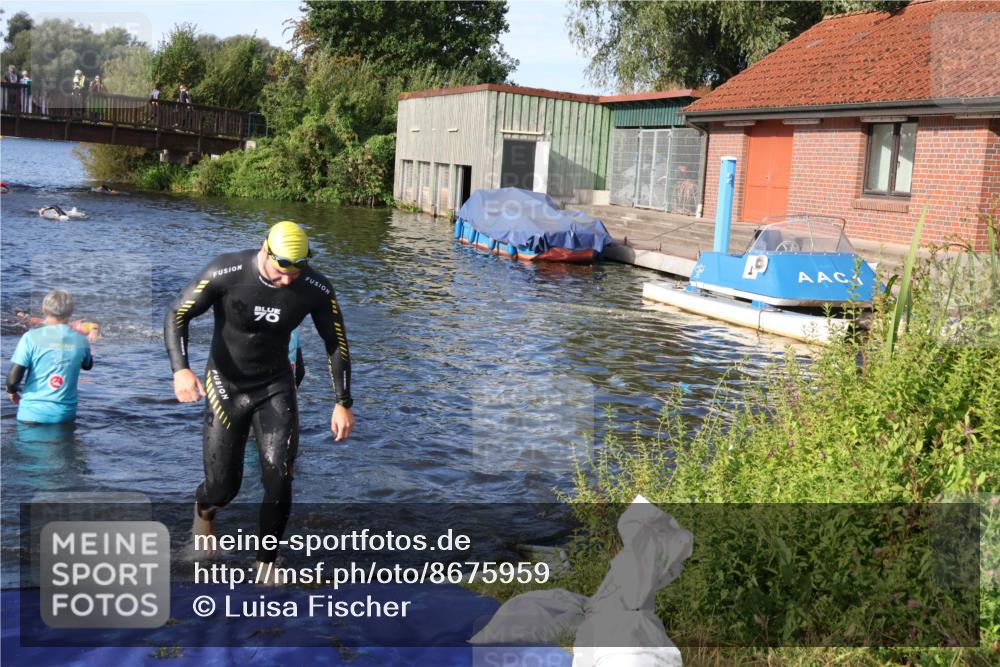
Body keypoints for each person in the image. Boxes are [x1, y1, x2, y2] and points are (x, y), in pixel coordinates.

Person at [164, 221, 354, 576]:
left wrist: (343, 401)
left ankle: (266, 563)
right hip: (226, 385)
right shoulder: (227, 271)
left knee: (280, 477)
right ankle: (204, 512)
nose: (287, 281)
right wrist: (181, 370)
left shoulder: (315, 287)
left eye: (295, 273)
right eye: (282, 272)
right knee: (223, 488)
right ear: (266, 251)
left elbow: (336, 343)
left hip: (275, 385)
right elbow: (178, 314)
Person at [6, 290, 94, 424]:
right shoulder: (81, 340)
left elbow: (13, 380)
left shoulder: (30, 337)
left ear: (44, 310)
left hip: (31, 414)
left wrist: (12, 392)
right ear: (71, 312)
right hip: (64, 416)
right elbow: (87, 365)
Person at [15, 310, 100, 343]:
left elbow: (94, 325)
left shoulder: (75, 327)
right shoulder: (45, 324)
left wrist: (94, 332)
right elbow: (30, 320)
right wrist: (22, 316)